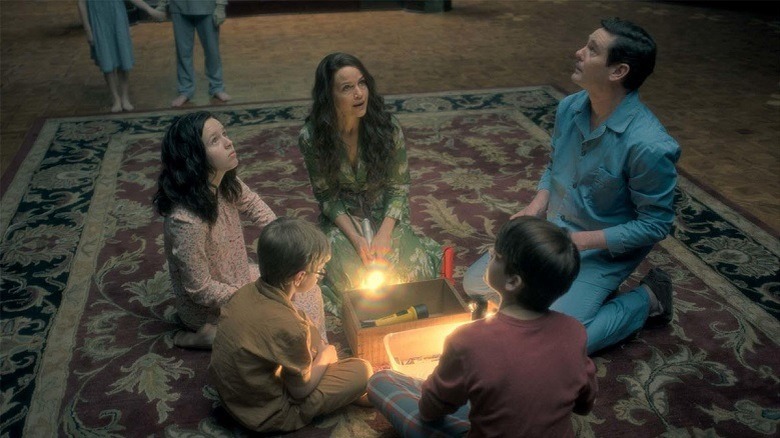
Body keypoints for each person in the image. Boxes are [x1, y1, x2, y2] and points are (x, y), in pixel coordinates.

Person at [463, 18, 680, 354]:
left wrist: (580, 242)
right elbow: (555, 167)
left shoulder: (649, 145)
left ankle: (649, 299)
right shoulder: (569, 107)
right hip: (555, 236)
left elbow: (655, 224)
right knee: (477, 286)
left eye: (591, 50)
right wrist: (536, 206)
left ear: (618, 71)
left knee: (553, 345)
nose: (578, 52)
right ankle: (579, 294)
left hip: (600, 251)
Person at [368, 216, 597, 437]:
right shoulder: (574, 331)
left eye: (496, 255)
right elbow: (584, 405)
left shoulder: (467, 340)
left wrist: (443, 379)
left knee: (381, 380)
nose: (489, 254)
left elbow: (431, 411)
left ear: (513, 281)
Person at [154, 111, 326, 349]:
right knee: (284, 325)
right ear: (194, 158)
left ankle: (314, 348)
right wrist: (253, 297)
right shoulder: (186, 221)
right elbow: (200, 289)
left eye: (224, 134)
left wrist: (289, 244)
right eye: (215, 140)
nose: (228, 142)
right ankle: (204, 337)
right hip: (209, 309)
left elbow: (255, 206)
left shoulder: (225, 181)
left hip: (240, 277)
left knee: (307, 289)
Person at [298, 52, 442, 314]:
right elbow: (327, 196)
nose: (359, 93)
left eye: (362, 83)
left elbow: (398, 187)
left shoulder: (388, 127)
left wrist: (384, 233)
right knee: (356, 284)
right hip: (344, 215)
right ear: (329, 96)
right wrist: (356, 239)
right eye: (347, 88)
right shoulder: (312, 137)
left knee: (413, 276)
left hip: (385, 211)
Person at [209, 217, 372, 433]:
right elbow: (300, 392)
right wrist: (326, 355)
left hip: (232, 397)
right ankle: (346, 390)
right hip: (270, 414)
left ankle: (327, 378)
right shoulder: (290, 326)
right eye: (320, 271)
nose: (320, 276)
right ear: (300, 277)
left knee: (306, 323)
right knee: (362, 370)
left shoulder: (244, 292)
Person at [77, 0, 165, 112]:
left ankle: (125, 97)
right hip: (98, 20)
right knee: (106, 59)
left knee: (123, 56)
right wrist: (88, 30)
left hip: (117, 17)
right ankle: (115, 98)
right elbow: (81, 3)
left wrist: (149, 9)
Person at [155, 0, 231, 107]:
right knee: (183, 53)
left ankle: (217, 87)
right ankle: (185, 90)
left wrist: (220, 6)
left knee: (212, 51)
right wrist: (161, 4)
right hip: (179, 7)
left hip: (208, 8)